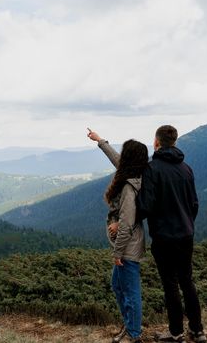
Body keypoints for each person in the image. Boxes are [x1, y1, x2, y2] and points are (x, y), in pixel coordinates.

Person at [136, 125, 206, 343]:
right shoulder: (186, 168)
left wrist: (130, 212)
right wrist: (186, 224)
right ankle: (197, 330)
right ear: (174, 142)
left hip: (164, 237)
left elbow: (146, 206)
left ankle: (176, 333)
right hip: (186, 235)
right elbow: (194, 204)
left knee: (170, 284)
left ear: (156, 142)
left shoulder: (152, 169)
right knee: (187, 281)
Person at [88, 129, 148, 343]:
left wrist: (117, 253)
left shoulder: (129, 188)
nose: (121, 156)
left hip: (127, 249)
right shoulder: (131, 172)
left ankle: (134, 333)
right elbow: (117, 160)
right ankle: (130, 325)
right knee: (117, 286)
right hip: (127, 247)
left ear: (130, 158)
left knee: (131, 293)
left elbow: (128, 223)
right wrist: (100, 141)